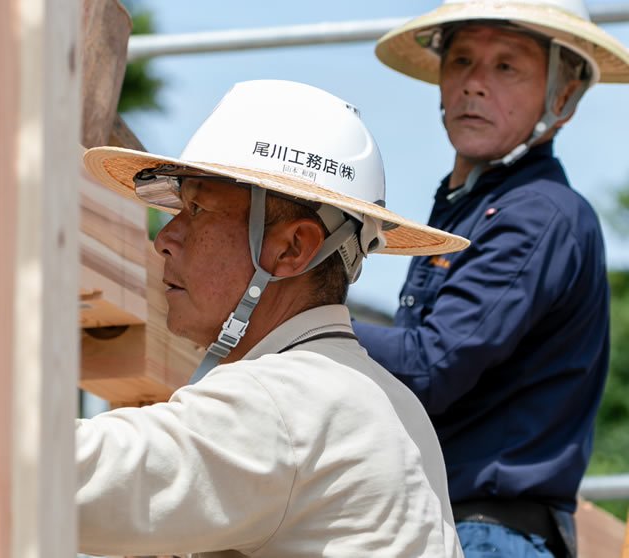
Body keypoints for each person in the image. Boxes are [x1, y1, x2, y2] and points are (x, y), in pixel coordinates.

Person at [77, 79, 468, 557]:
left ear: (290, 248)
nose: (166, 237)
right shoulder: (387, 400)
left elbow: (59, 477)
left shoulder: (283, 400)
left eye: (197, 208)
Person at [352, 1, 629, 557]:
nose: (475, 84)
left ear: (563, 96)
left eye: (506, 67)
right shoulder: (473, 208)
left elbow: (429, 366)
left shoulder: (537, 214)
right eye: (461, 60)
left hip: (491, 535)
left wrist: (290, 313)